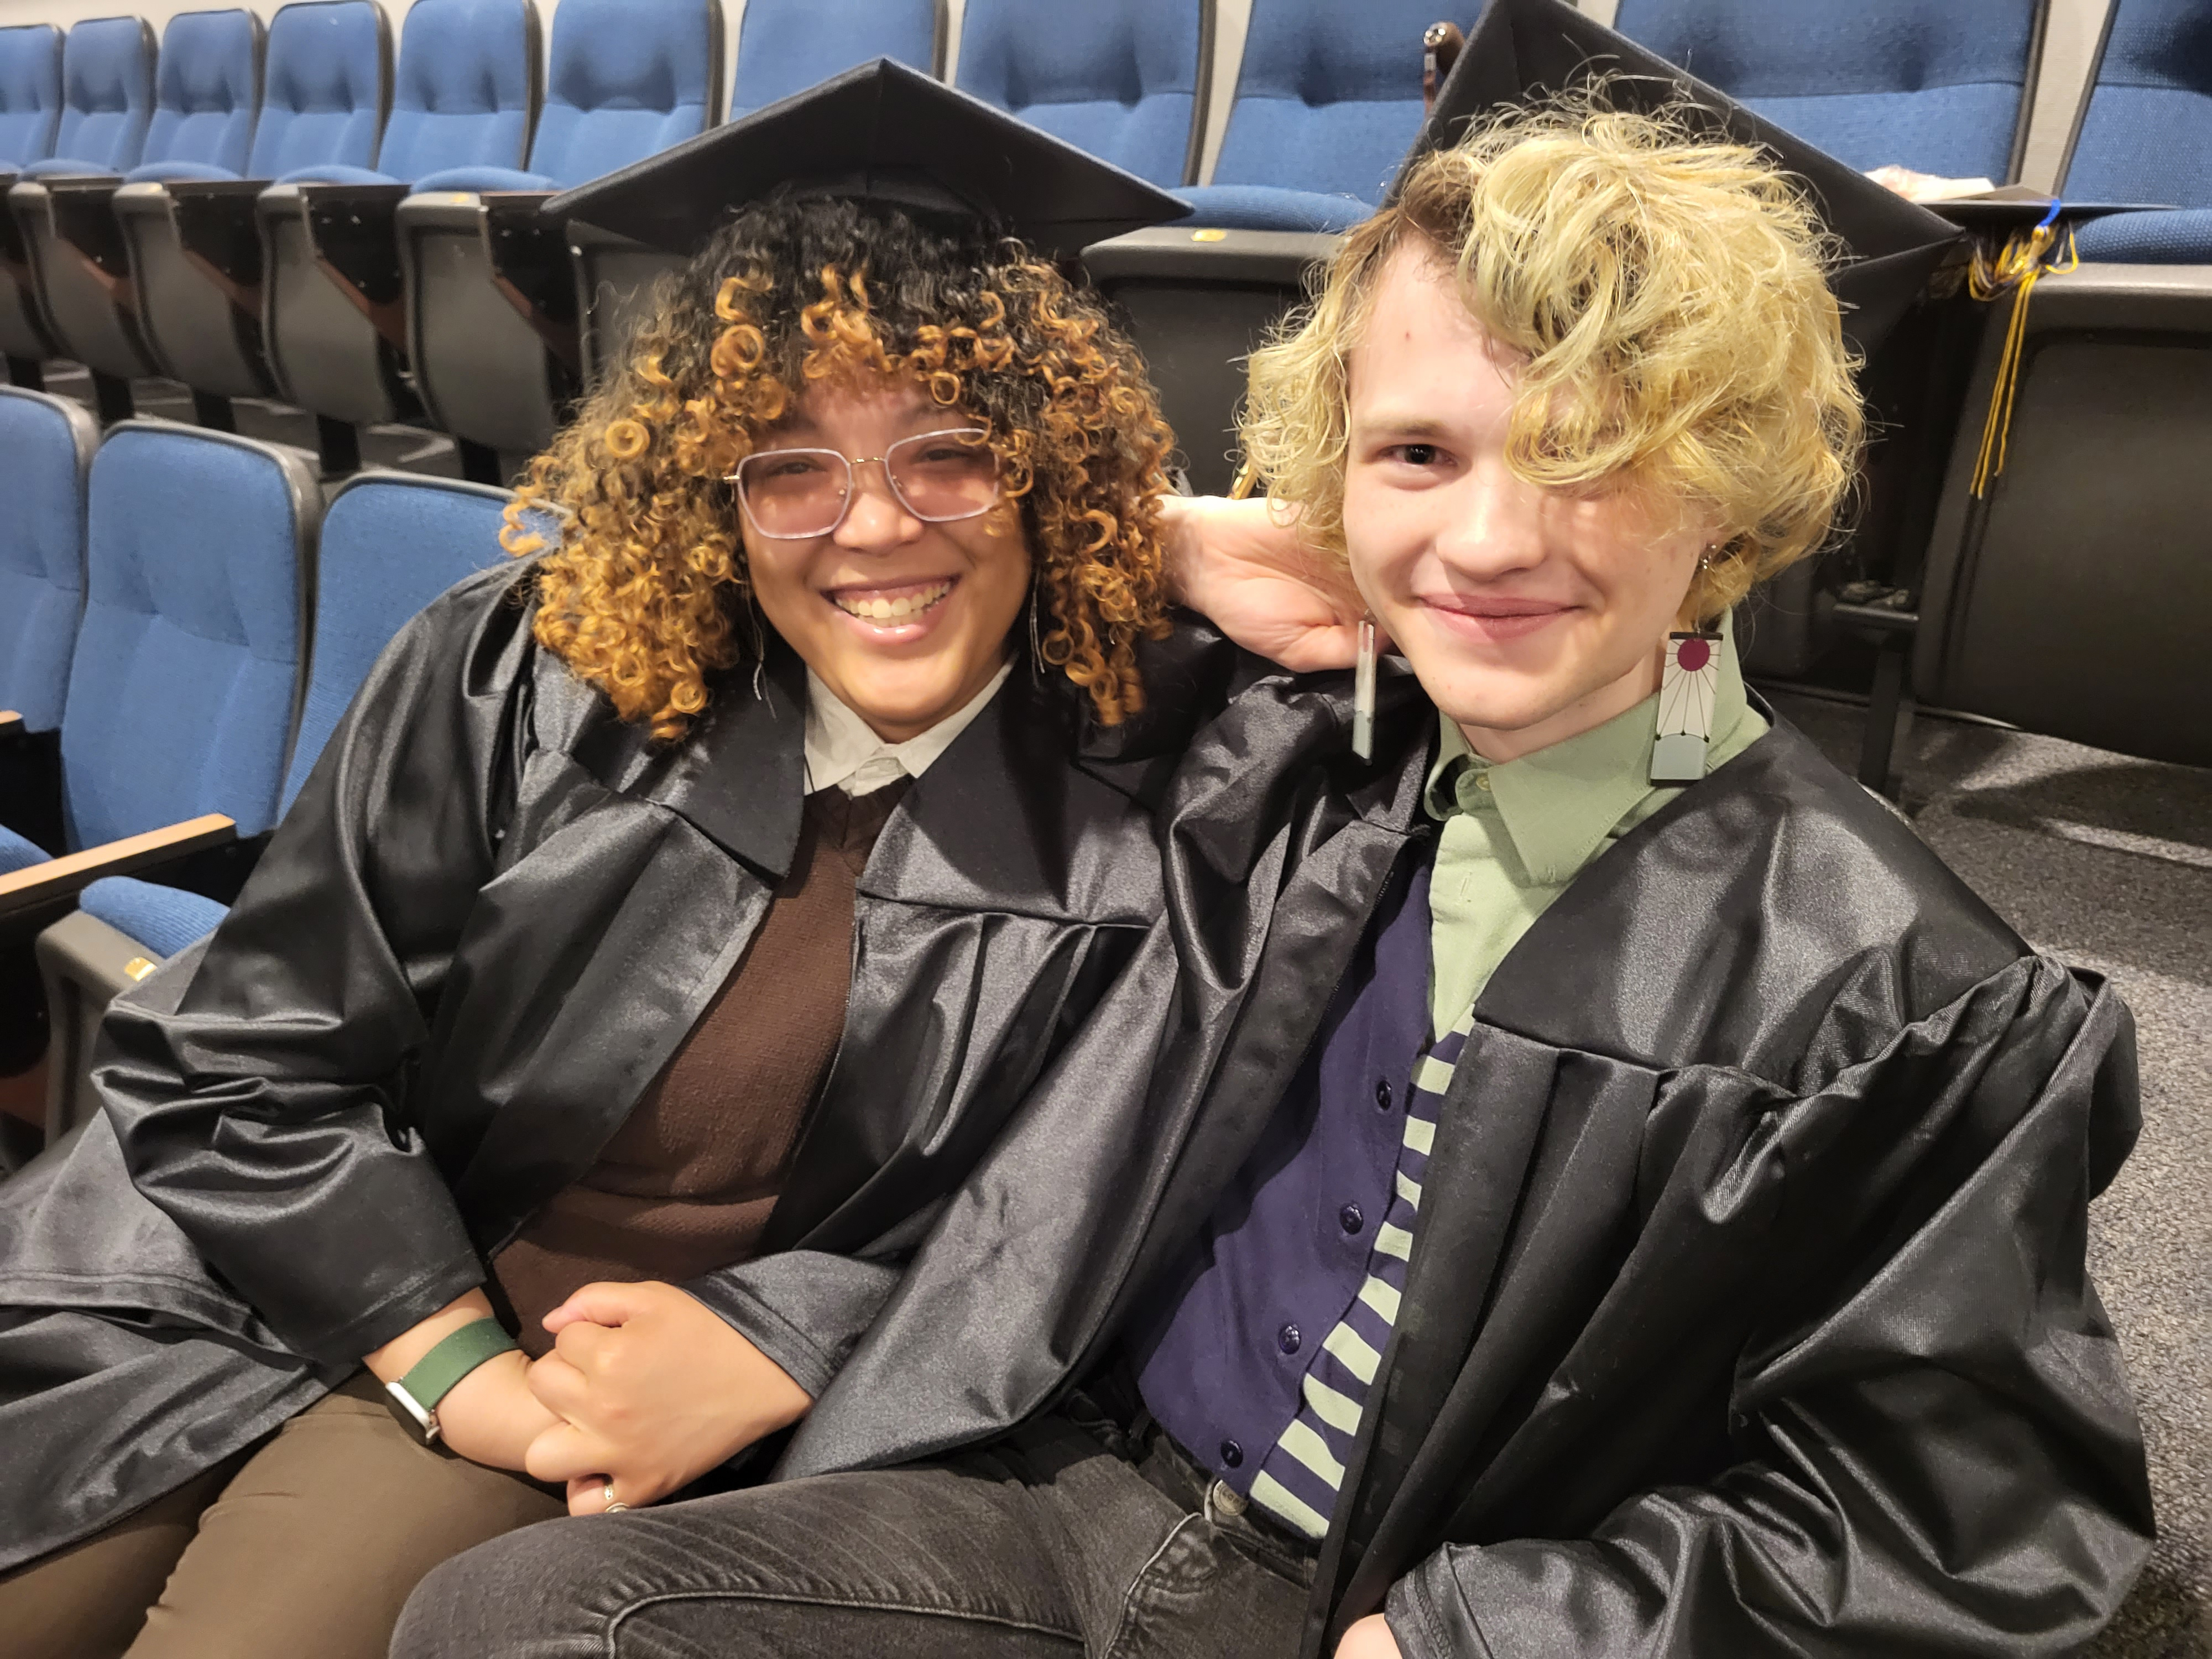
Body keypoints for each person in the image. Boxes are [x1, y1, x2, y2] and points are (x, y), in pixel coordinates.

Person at [392, 33, 2154, 1659]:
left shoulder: (1895, 991)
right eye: (1415, 452)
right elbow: (852, 582)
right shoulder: (1292, 756)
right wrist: (1158, 531)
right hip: (1079, 1501)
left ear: (1737, 480)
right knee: (519, 1623)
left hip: (1395, 1612)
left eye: (1595, 449)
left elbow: (1955, 1529)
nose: (1487, 537)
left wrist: (1482, 1639)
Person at [0, 61, 1257, 1659]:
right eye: (789, 465)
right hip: (265, 1266)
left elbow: (1099, 1219)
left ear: (1050, 463)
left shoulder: (1168, 800)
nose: (871, 528)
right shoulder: (527, 673)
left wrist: (754, 1344)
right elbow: (244, 1057)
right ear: (707, 492)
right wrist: (458, 1369)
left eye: (950, 450)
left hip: (620, 1405)